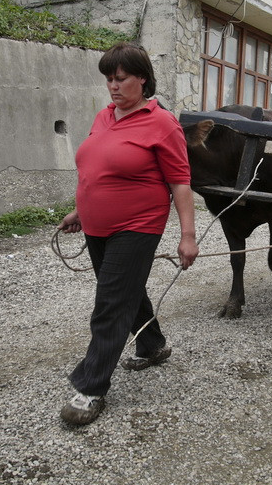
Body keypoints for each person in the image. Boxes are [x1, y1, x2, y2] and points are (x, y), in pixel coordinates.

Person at [57, 41, 199, 425]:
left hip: (137, 226)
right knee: (124, 291)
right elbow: (95, 170)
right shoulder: (104, 117)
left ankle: (90, 387)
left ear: (142, 79)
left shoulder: (161, 123)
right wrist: (79, 212)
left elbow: (180, 182)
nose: (113, 86)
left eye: (121, 79)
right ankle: (153, 346)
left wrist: (188, 235)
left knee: (110, 303)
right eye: (108, 79)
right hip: (97, 227)